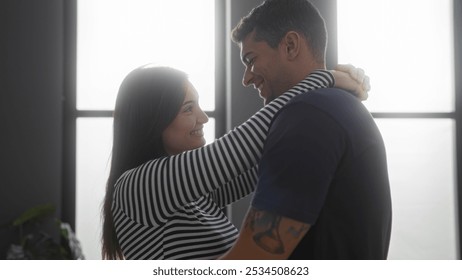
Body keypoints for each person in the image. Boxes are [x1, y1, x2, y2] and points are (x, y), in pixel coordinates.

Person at [101, 63, 369, 260]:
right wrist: (325, 79)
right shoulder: (138, 186)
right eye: (188, 109)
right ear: (153, 121)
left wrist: (331, 101)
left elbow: (270, 157)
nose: (203, 118)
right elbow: (242, 146)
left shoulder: (194, 195)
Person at [219, 0, 392, 260]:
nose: (246, 78)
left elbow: (254, 260)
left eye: (251, 59)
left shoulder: (307, 117)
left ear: (290, 45)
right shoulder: (342, 106)